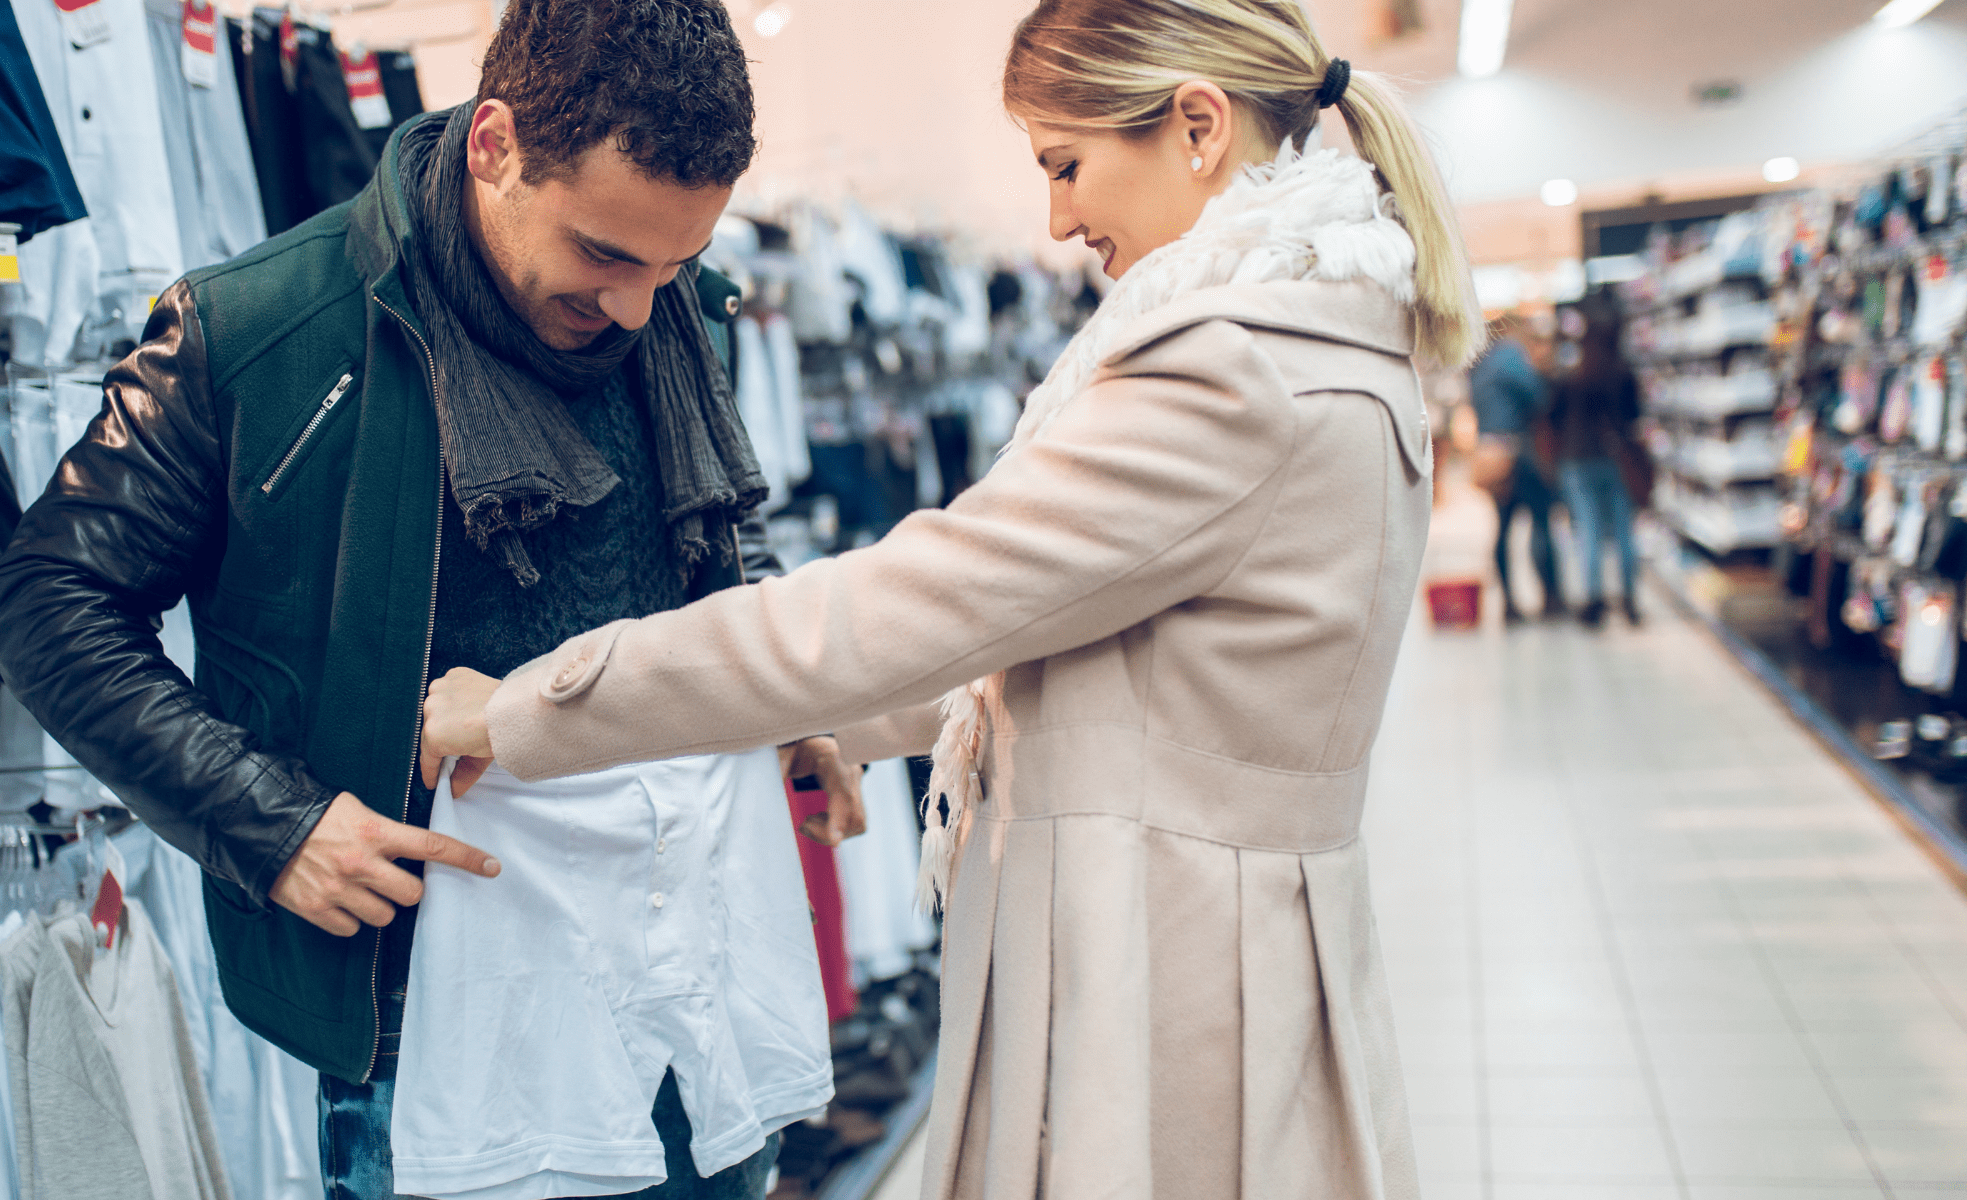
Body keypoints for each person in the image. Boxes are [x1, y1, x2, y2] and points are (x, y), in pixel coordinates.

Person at [422, 0, 1480, 1194]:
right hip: (1209, 942)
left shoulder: (1232, 372)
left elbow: (909, 604)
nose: (1058, 216)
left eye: (1066, 164)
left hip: (1166, 973)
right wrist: (839, 733)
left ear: (1197, 126)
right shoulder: (1322, 340)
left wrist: (527, 710)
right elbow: (1103, 650)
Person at [0, 3, 863, 1197]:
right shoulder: (257, 329)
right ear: (495, 142)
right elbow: (47, 597)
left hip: (687, 963)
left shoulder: (671, 313)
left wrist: (766, 702)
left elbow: (701, 533)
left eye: (676, 262)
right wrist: (269, 821)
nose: (639, 305)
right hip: (432, 1008)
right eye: (606, 254)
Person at [1550, 301, 1647, 628]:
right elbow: (1635, 418)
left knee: (1587, 529)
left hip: (1577, 460)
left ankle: (1593, 599)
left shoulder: (1573, 373)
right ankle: (1630, 599)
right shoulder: (1623, 372)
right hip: (1617, 457)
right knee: (1623, 530)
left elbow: (1555, 418)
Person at [1471, 314, 1566, 622]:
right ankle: (1551, 597)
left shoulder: (1481, 365)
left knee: (1503, 528)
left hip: (1489, 451)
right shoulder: (1510, 357)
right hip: (1518, 450)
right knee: (1540, 522)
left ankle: (1509, 603)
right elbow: (1539, 397)